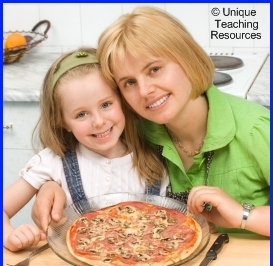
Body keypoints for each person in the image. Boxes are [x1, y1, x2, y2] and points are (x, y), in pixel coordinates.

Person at [32, 6, 269, 237]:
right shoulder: (134, 130)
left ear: (187, 58)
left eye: (154, 69)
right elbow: (79, 160)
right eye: (129, 82)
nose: (145, 91)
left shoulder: (257, 129)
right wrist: (51, 185)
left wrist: (243, 215)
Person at [3, 47, 169, 252]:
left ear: (122, 102)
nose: (99, 121)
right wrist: (9, 235)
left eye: (106, 104)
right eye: (81, 114)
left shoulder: (155, 159)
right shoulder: (52, 162)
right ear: (62, 122)